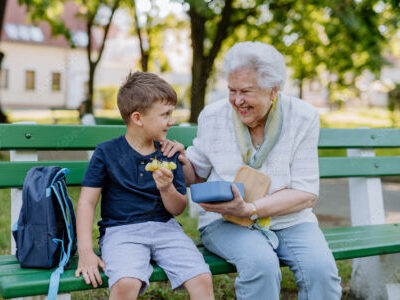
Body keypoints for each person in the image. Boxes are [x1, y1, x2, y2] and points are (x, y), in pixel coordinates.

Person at [162, 41, 342, 299]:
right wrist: (181, 162)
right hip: (225, 221)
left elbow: (305, 193)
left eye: (246, 91)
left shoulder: (303, 117)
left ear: (273, 91)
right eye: (231, 90)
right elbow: (197, 175)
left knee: (321, 272)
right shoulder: (213, 116)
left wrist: (252, 209)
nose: (237, 101)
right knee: (261, 266)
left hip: (290, 219)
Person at [75, 71, 214, 300]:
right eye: (165, 114)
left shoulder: (168, 153)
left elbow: (177, 209)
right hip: (121, 232)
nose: (172, 121)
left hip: (166, 228)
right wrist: (86, 251)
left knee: (202, 278)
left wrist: (166, 189)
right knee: (126, 283)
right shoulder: (106, 153)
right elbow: (87, 203)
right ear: (138, 118)